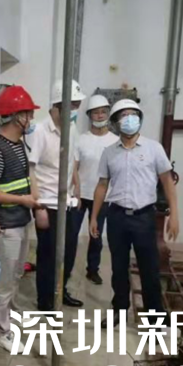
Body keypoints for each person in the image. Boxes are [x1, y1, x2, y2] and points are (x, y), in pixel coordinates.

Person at [89, 99, 179, 328]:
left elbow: (167, 181)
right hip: (117, 217)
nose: (129, 119)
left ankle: (155, 318)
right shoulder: (109, 152)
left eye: (133, 114)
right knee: (118, 268)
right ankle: (119, 310)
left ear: (140, 118)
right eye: (124, 115)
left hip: (144, 217)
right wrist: (94, 217)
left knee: (149, 269)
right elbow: (102, 185)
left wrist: (175, 214)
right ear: (116, 122)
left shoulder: (153, 148)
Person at [0, 86, 41, 353]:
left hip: (20, 220)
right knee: (3, 280)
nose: (31, 119)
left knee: (15, 273)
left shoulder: (18, 145)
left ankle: (10, 312)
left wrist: (32, 199)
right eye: (28, 114)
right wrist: (23, 200)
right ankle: (1, 331)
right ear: (17, 117)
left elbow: (24, 178)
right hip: (3, 225)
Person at [28, 79, 86, 311]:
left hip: (67, 202)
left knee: (69, 251)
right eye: (72, 105)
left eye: (77, 106)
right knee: (48, 255)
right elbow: (30, 170)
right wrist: (38, 207)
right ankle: (45, 301)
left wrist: (77, 189)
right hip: (47, 204)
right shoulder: (39, 131)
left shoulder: (71, 129)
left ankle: (61, 292)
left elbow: (72, 162)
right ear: (57, 105)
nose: (75, 111)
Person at [72, 94, 119, 285]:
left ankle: (92, 270)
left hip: (103, 197)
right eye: (95, 112)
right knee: (71, 234)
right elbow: (74, 167)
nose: (100, 116)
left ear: (108, 114)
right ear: (89, 116)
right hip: (80, 195)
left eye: (103, 112)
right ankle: (66, 269)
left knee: (96, 236)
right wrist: (76, 190)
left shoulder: (115, 141)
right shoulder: (81, 139)